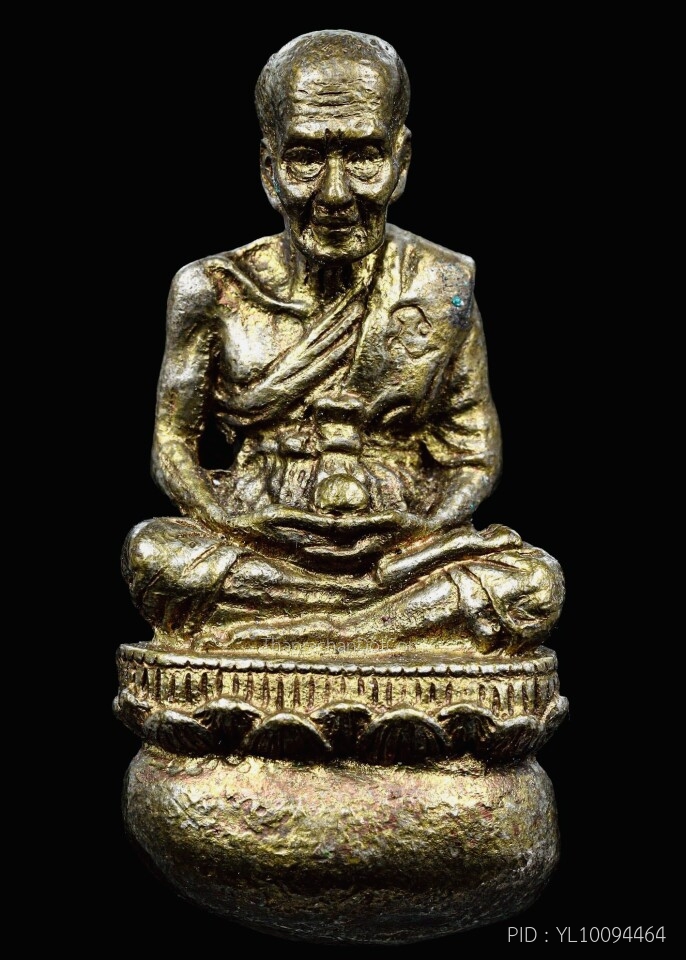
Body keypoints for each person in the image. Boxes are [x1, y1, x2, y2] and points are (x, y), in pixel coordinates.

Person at [122, 29, 564, 656]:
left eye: (363, 157)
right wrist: (239, 523)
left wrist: (415, 528)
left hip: (396, 545)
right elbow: (172, 445)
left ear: (401, 162)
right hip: (264, 535)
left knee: (532, 582)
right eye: (306, 158)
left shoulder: (443, 285)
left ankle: (308, 630)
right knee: (152, 553)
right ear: (269, 169)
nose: (334, 193)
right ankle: (374, 627)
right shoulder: (212, 290)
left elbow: (474, 457)